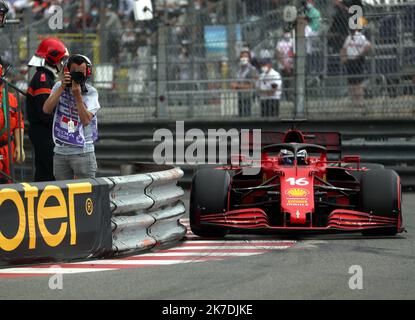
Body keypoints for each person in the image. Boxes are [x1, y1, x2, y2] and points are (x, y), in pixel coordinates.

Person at [43, 54, 100, 180]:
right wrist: (62, 87)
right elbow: (46, 109)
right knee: (63, 194)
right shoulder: (59, 86)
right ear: (67, 71)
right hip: (60, 151)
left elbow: (86, 120)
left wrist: (78, 97)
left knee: (86, 194)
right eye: (74, 72)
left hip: (83, 152)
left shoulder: (91, 93)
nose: (77, 75)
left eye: (81, 72)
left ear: (88, 73)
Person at [26, 37, 69, 182]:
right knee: (49, 173)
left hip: (44, 132)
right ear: (52, 59)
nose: (62, 63)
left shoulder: (45, 77)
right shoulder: (43, 79)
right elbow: (45, 113)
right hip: (44, 133)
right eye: (60, 60)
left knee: (45, 172)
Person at [0, 58, 25, 183]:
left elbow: (18, 123)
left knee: (8, 184)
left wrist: (20, 147)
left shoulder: (10, 98)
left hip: (7, 148)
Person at [340, 27, 372, 107]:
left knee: (358, 82)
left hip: (358, 61)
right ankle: (354, 101)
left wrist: (360, 54)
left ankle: (360, 101)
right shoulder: (348, 38)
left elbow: (368, 46)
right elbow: (344, 48)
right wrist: (343, 57)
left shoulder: (361, 37)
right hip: (350, 61)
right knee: (351, 82)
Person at [231, 49, 258, 117]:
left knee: (247, 115)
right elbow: (234, 81)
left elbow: (252, 85)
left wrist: (237, 86)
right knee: (241, 115)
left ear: (249, 58)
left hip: (248, 97)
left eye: (246, 57)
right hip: (239, 96)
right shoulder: (239, 69)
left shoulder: (252, 69)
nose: (244, 59)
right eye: (242, 57)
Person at [276, 28, 294, 101]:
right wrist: (285, 64)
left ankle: (291, 95)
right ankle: (287, 96)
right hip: (283, 66)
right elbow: (278, 54)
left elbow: (294, 53)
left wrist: (290, 64)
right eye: (285, 32)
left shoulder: (293, 41)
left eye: (288, 32)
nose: (287, 34)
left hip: (292, 64)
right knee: (285, 81)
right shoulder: (280, 43)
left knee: (292, 81)